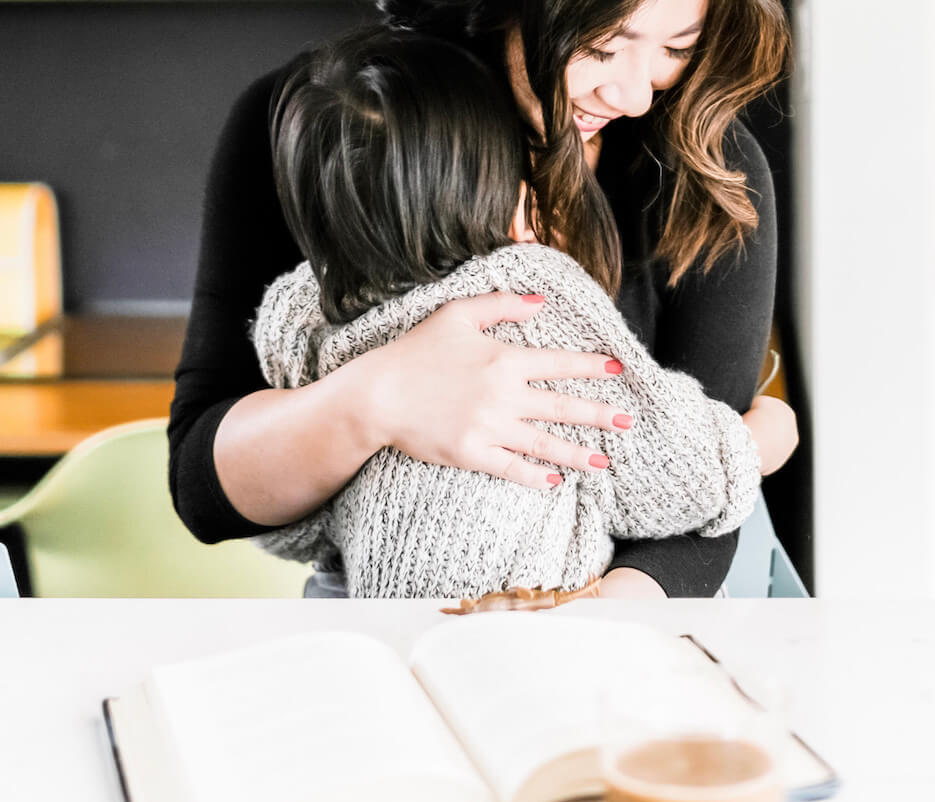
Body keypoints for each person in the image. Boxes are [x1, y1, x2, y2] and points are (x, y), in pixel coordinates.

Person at [169, 0, 795, 598]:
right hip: (376, 613)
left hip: (620, 601)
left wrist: (607, 613)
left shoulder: (707, 167)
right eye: (601, 47)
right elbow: (206, 493)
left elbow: (700, 524)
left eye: (676, 49)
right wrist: (374, 400)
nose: (634, 96)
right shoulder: (332, 118)